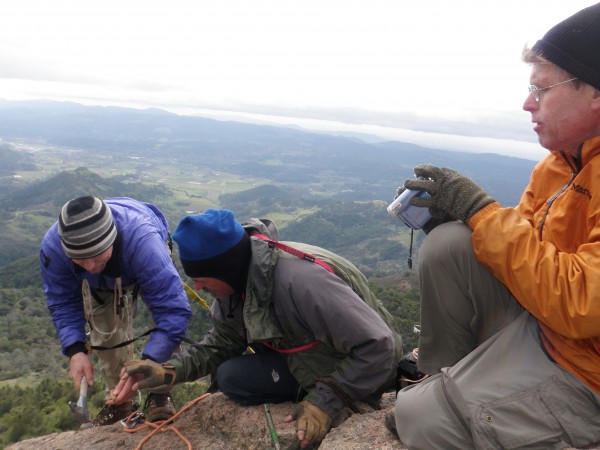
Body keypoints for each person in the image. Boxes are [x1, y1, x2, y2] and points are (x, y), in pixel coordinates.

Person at [387, 3, 600, 449]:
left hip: (588, 370)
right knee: (450, 243)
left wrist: (481, 211)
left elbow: (581, 306)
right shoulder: (558, 166)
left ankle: (454, 407)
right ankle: (445, 382)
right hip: (546, 327)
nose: (527, 103)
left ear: (595, 92)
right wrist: (472, 223)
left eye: (542, 90)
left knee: (418, 419)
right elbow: (520, 248)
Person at [110, 208, 403, 448]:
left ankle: (325, 393)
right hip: (304, 357)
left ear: (226, 268)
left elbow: (379, 345)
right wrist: (167, 372)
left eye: (202, 278)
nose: (197, 286)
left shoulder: (300, 282)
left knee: (237, 378)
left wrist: (324, 401)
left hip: (360, 366)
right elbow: (221, 343)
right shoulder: (236, 286)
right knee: (231, 377)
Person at [40, 196, 192, 428]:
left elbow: (172, 311)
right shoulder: (54, 249)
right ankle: (120, 401)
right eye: (80, 259)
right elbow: (62, 302)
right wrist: (75, 350)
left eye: (96, 256)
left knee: (163, 325)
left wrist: (149, 363)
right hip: (100, 285)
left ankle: (160, 392)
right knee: (104, 334)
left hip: (136, 260)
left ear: (111, 240)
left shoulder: (143, 242)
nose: (90, 266)